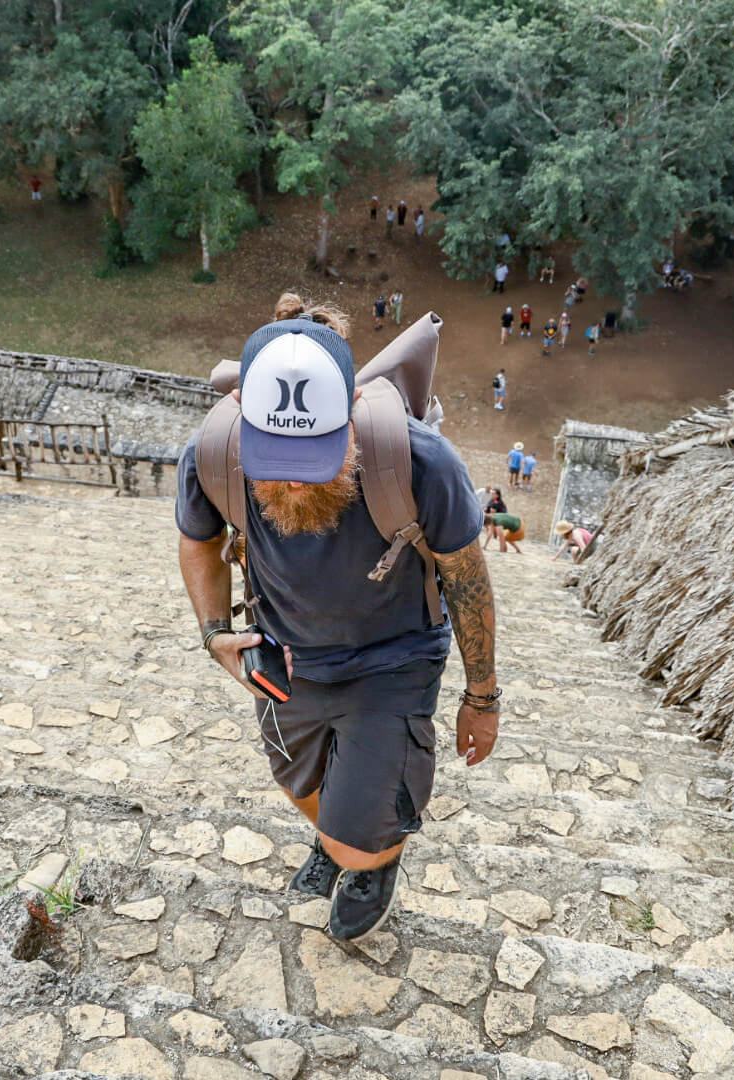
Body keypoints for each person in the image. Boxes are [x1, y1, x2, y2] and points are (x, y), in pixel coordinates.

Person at [176, 294, 499, 941]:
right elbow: (199, 542)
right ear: (243, 415)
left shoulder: (420, 462)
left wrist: (483, 697)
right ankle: (343, 833)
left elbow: (466, 576)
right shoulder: (214, 454)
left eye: (313, 459)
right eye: (279, 463)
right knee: (296, 781)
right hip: (286, 657)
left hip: (394, 660)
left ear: (352, 414)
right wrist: (215, 632)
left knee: (359, 841)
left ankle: (368, 857)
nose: (295, 485)